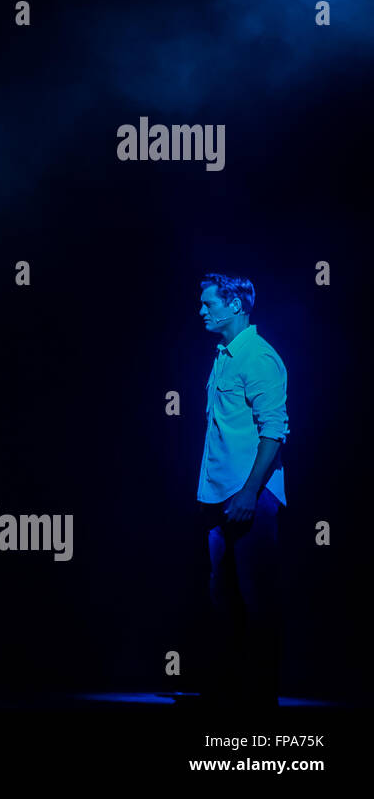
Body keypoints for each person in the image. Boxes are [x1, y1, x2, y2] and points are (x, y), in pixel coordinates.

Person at [196, 273, 288, 707]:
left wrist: (250, 493)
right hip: (220, 496)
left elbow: (274, 432)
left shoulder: (259, 357)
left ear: (235, 305)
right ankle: (227, 695)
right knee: (223, 599)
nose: (201, 310)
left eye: (209, 303)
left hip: (250, 495)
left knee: (257, 599)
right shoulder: (223, 357)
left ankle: (260, 700)